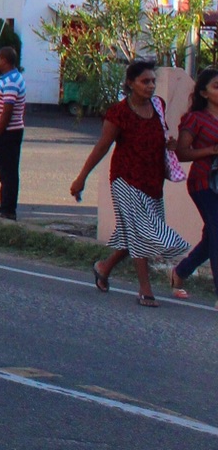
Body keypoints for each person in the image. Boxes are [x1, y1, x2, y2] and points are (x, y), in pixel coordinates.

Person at [69, 58, 192, 306]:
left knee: (134, 234)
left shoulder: (158, 106)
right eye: (144, 81)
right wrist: (81, 178)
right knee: (141, 233)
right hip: (125, 180)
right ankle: (145, 290)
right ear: (130, 83)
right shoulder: (119, 112)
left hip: (153, 181)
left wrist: (171, 144)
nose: (150, 86)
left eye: (153, 81)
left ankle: (104, 268)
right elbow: (102, 146)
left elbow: (164, 138)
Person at [170, 67, 218, 299]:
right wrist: (211, 150)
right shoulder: (195, 119)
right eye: (216, 87)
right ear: (204, 93)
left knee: (212, 236)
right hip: (204, 182)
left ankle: (181, 271)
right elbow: (181, 152)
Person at [0, 46, 27, 219]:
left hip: (8, 133)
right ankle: (5, 206)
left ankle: (8, 209)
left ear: (4, 60)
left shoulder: (11, 81)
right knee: (5, 172)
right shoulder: (9, 78)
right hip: (6, 132)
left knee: (8, 172)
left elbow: (8, 109)